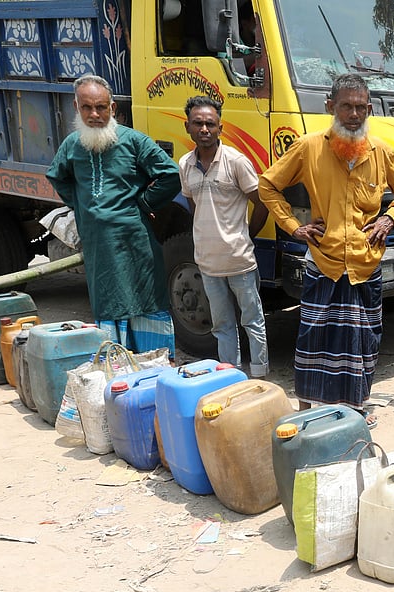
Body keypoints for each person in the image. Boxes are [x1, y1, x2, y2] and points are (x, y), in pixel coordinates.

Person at [258, 73, 394, 417]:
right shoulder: (309, 146)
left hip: (365, 264)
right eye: (346, 106)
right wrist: (293, 226)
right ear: (331, 107)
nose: (353, 114)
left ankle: (354, 411)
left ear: (369, 109)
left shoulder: (381, 152)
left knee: (363, 342)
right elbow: (268, 185)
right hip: (323, 262)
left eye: (360, 107)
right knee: (313, 339)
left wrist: (389, 218)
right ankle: (307, 410)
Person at [46, 75, 181, 355]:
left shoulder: (133, 141)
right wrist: (82, 206)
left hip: (134, 239)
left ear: (113, 107)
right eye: (87, 107)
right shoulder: (72, 145)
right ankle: (117, 366)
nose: (94, 114)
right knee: (108, 302)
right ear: (76, 107)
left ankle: (153, 364)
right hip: (98, 244)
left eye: (101, 107)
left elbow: (170, 175)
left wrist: (144, 203)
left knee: (146, 297)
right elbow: (57, 177)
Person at [178, 97, 270, 376]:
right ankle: (231, 377)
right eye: (198, 123)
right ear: (188, 127)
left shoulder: (236, 162)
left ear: (221, 128)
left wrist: (247, 236)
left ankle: (259, 375)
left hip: (239, 261)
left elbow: (262, 203)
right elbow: (194, 206)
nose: (204, 129)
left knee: (252, 321)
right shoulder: (185, 164)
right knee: (222, 326)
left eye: (210, 124)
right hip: (208, 264)